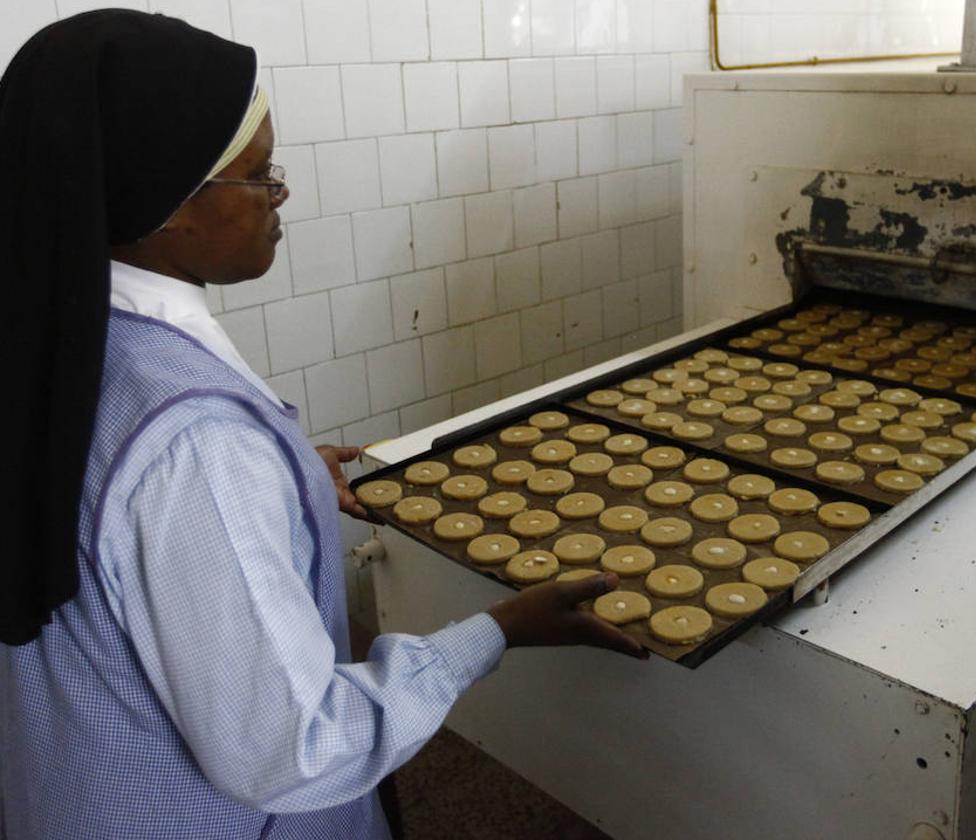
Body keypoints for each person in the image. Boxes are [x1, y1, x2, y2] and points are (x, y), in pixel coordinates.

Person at [0, 10, 644, 839]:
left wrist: (285, 477)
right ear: (163, 202)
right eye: (258, 175)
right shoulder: (198, 443)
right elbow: (293, 749)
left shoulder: (58, 340)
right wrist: (492, 634)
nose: (280, 193)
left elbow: (102, 511)